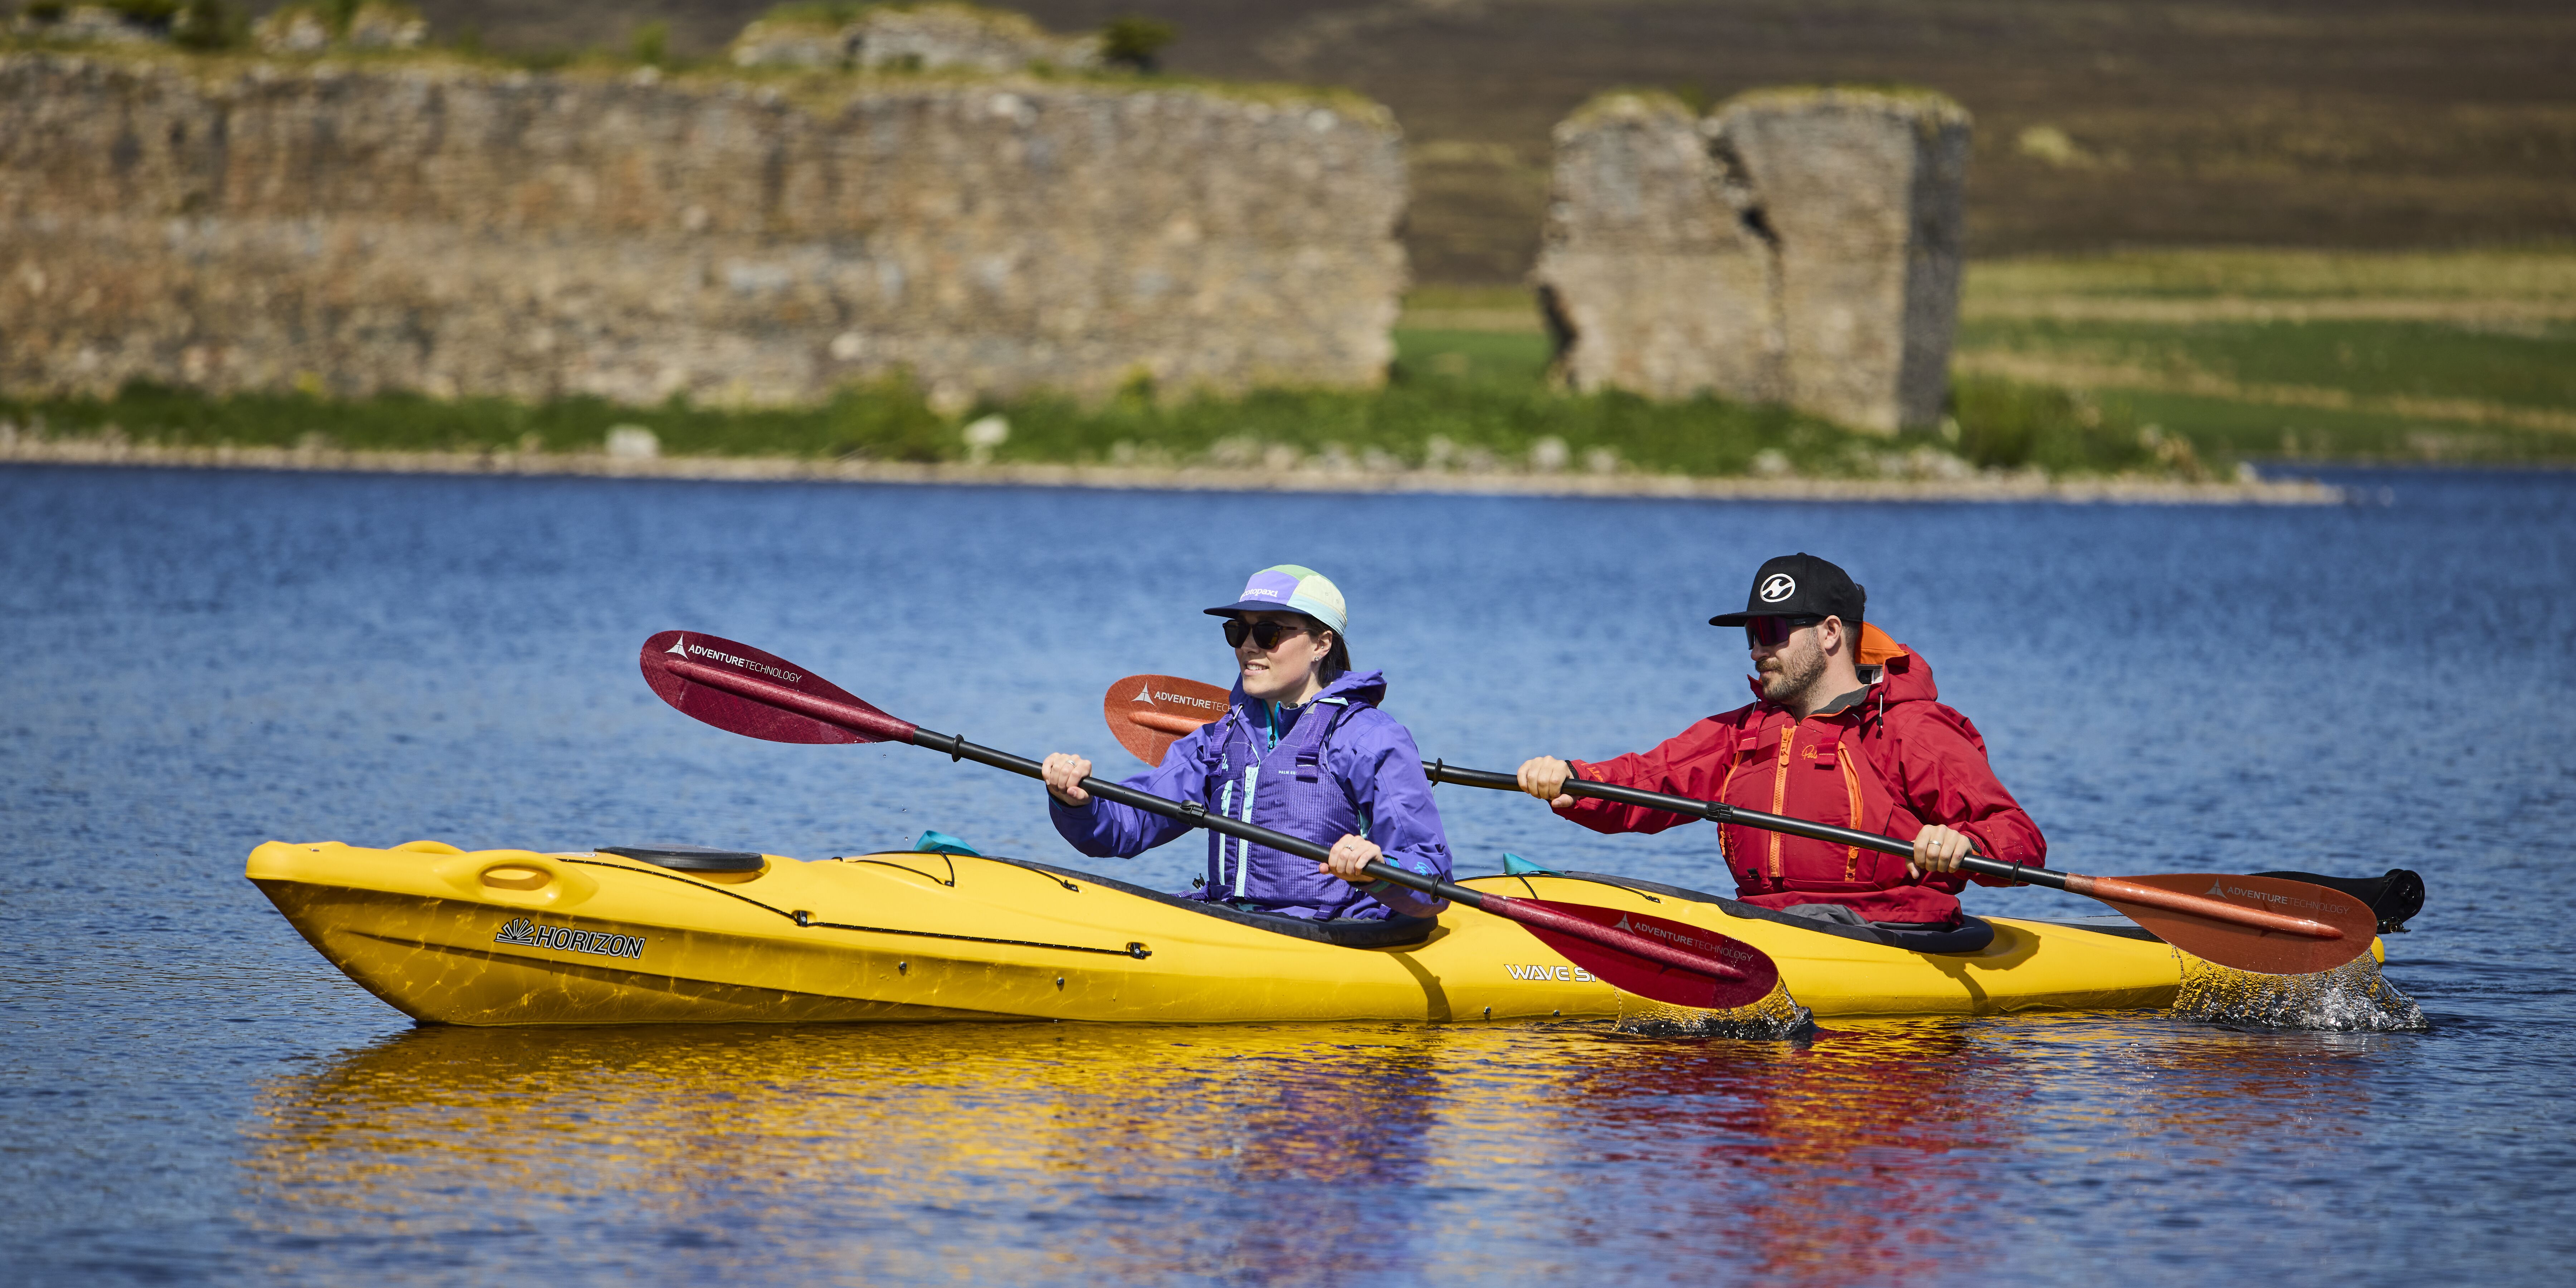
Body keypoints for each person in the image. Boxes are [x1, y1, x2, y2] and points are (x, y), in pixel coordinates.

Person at [1515, 553, 2044, 927]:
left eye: (1771, 632)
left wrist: (1964, 845)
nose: (1755, 651)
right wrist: (1574, 780)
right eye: (1751, 635)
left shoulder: (1911, 730)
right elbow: (1648, 781)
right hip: (1770, 926)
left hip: (1890, 930)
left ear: (1831, 633)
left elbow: (2020, 839)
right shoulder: (1743, 733)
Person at [1041, 565, 1453, 920]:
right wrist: (1077, 804)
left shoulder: (1370, 739)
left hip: (1337, 937)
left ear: (1321, 644)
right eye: (1238, 631)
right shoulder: (1220, 739)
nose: (1248, 646)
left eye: (1269, 632)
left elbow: (1433, 874)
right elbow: (1126, 827)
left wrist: (1378, 869)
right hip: (1234, 926)